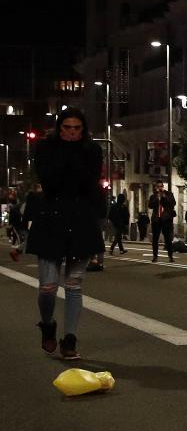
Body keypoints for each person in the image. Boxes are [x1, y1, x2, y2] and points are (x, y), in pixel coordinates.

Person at [26, 108, 106, 360]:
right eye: (67, 128)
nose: (72, 132)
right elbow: (49, 180)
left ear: (83, 130)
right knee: (48, 287)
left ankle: (70, 338)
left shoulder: (92, 151)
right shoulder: (45, 148)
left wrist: (98, 219)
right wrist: (67, 154)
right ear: (59, 128)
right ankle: (47, 324)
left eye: (77, 128)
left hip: (81, 221)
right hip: (51, 221)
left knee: (73, 285)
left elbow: (89, 183)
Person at [148, 181, 177, 263]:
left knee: (168, 238)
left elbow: (173, 203)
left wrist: (164, 197)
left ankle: (170, 256)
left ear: (163, 186)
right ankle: (155, 256)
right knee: (155, 239)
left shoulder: (169, 194)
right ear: (156, 187)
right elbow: (150, 205)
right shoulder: (153, 196)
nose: (159, 188)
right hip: (156, 219)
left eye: (161, 186)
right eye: (158, 186)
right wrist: (157, 198)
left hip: (166, 219)